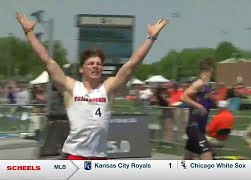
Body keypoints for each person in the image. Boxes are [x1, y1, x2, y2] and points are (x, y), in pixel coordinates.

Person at [16, 12, 167, 160]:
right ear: (82, 69)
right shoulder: (72, 87)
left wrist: (151, 37)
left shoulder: (107, 88)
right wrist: (29, 32)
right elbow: (47, 61)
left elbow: (131, 65)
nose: (96, 66)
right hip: (75, 157)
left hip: (99, 158)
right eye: (91, 64)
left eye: (99, 64)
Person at [181, 58, 215, 160]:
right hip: (194, 127)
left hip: (200, 127)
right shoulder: (199, 83)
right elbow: (183, 97)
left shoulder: (206, 85)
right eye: (211, 70)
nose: (212, 73)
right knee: (208, 157)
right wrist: (199, 106)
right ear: (207, 71)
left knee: (187, 161)